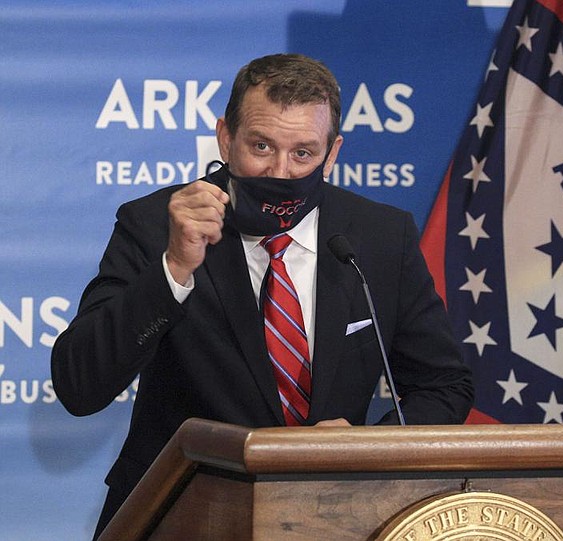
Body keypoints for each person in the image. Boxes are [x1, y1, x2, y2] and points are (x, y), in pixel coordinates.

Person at [51, 53, 473, 538]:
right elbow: (78, 386)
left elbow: (445, 385)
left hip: (335, 517)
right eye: (261, 146)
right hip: (182, 514)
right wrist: (173, 268)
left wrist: (365, 448)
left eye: (303, 153)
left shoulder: (379, 236)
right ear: (225, 138)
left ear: (332, 154)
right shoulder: (155, 224)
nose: (282, 170)